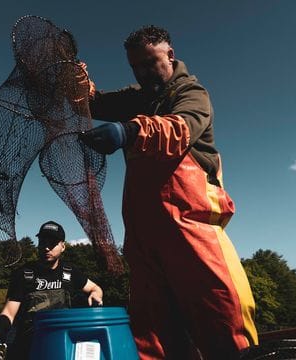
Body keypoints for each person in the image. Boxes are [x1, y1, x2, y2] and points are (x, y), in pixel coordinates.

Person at [79, 25, 258, 358]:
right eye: (136, 67)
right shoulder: (136, 97)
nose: (144, 73)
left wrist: (129, 129)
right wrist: (77, 83)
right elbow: (91, 103)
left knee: (221, 309)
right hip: (143, 233)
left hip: (191, 226)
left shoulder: (192, 93)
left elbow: (180, 128)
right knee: (151, 329)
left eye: (150, 63)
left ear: (170, 55)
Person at [0, 221, 103, 359]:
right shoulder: (23, 274)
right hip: (27, 346)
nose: (46, 248)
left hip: (61, 347)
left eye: (52, 243)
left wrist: (95, 294)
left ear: (63, 246)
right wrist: (0, 330)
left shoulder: (70, 272)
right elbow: (9, 312)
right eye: (42, 242)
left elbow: (95, 288)